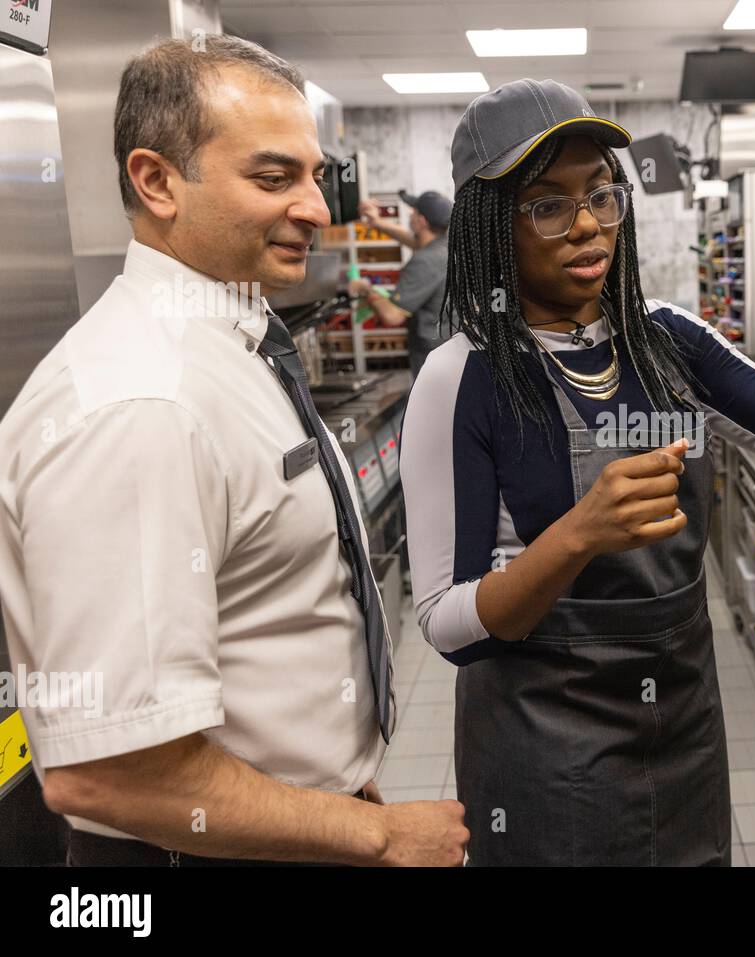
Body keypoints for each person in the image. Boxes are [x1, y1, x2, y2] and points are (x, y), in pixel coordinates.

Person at [400, 78, 755, 866]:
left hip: (682, 730)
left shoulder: (667, 340)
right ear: (490, 225)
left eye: (603, 195)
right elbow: (446, 623)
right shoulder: (460, 378)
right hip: (545, 751)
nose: (587, 226)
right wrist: (575, 537)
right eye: (547, 205)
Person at [0, 35, 466, 866]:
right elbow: (109, 771)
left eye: (315, 176)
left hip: (279, 828)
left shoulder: (234, 340)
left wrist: (343, 791)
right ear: (157, 181)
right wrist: (377, 833)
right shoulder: (139, 401)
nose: (320, 210)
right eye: (273, 177)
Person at [350, 190, 452, 379]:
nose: (410, 215)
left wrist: (365, 289)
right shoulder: (446, 248)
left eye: (413, 211)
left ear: (421, 221)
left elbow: (392, 315)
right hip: (447, 350)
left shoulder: (425, 260)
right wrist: (377, 223)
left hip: (431, 358)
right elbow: (415, 242)